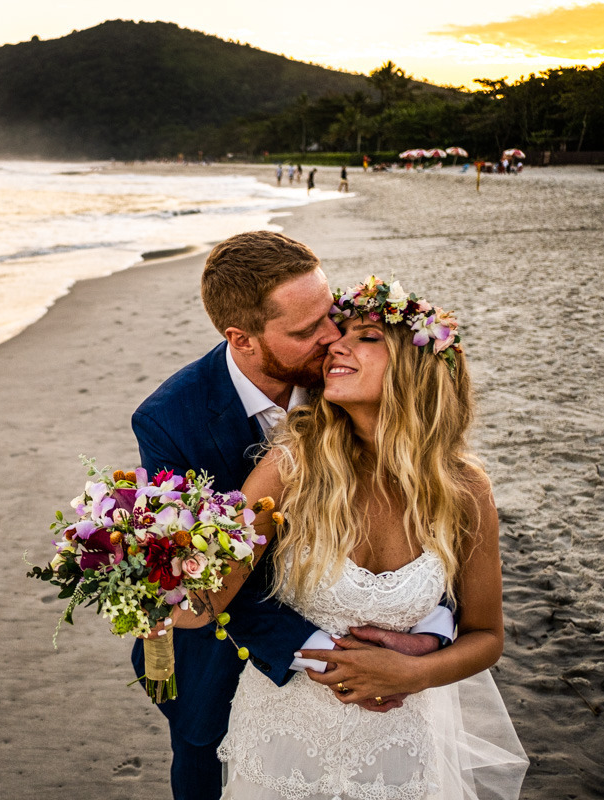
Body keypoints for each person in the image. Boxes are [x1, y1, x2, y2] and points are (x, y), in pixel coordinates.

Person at [131, 234, 454, 800]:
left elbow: (421, 508)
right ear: (243, 339)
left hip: (374, 645)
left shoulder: (354, 379)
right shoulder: (169, 420)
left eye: (329, 315)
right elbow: (213, 573)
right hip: (222, 650)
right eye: (307, 332)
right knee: (203, 759)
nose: (331, 338)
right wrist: (329, 654)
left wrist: (428, 632)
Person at [196, 276, 528, 799]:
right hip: (283, 746)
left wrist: (411, 673)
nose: (335, 345)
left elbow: (486, 636)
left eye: (366, 336)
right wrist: (147, 559)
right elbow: (208, 597)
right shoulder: (290, 467)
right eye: (338, 332)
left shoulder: (464, 489)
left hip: (402, 744)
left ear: (416, 365)